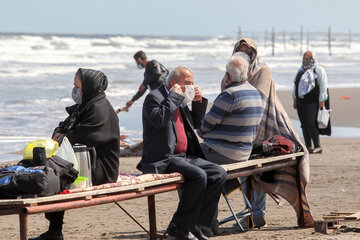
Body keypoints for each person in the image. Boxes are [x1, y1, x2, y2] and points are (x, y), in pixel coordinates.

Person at [221, 38, 314, 227]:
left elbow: (259, 99)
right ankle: (254, 213)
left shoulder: (262, 70)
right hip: (241, 127)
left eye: (248, 51)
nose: (244, 54)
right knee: (248, 172)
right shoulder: (230, 71)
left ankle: (257, 212)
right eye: (240, 50)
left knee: (261, 168)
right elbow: (225, 93)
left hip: (267, 122)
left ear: (253, 53)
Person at [29, 68, 120, 240]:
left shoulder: (100, 109)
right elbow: (64, 127)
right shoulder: (86, 105)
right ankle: (54, 230)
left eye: (77, 87)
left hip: (100, 169)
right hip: (85, 163)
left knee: (56, 174)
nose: (75, 91)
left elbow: (86, 137)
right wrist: (61, 134)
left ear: (89, 86)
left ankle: (55, 231)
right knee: (46, 167)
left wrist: (63, 136)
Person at [138, 67, 227, 240]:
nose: (191, 87)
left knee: (219, 173)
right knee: (198, 176)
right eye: (188, 83)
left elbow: (195, 123)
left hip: (184, 156)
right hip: (162, 157)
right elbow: (158, 121)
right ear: (173, 83)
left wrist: (198, 102)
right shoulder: (154, 97)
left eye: (193, 83)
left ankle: (196, 225)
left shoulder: (179, 98)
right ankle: (178, 228)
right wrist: (175, 97)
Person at [197, 52, 263, 235]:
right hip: (243, 153)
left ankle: (200, 221)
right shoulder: (255, 92)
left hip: (223, 153)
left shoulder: (229, 95)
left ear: (227, 76)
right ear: (247, 73)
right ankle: (208, 221)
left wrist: (201, 129)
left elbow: (205, 126)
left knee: (187, 165)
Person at [293, 51, 328, 154]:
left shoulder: (318, 70)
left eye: (308, 58)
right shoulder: (300, 70)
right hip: (301, 101)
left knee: (311, 122)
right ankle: (308, 146)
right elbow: (295, 85)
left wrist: (322, 99)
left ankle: (317, 146)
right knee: (304, 124)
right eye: (305, 58)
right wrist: (294, 99)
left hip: (312, 101)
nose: (306, 60)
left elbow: (323, 85)